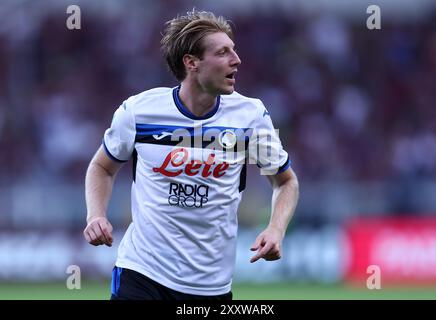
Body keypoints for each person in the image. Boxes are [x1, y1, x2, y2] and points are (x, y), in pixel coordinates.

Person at [83, 9, 299, 300]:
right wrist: (95, 215)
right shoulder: (139, 111)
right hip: (142, 272)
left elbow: (286, 181)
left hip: (210, 286)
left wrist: (276, 229)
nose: (236, 60)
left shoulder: (250, 116)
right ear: (192, 62)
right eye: (223, 52)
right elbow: (102, 167)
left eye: (233, 51)